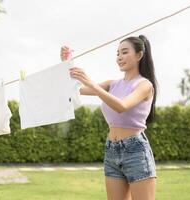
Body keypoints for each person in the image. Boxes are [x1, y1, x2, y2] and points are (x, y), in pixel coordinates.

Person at [60, 35, 157, 200]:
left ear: (139, 55)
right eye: (118, 53)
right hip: (111, 149)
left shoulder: (144, 85)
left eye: (124, 52)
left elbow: (122, 106)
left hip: (136, 151)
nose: (119, 57)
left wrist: (91, 83)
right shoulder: (113, 84)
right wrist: (66, 63)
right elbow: (74, 89)